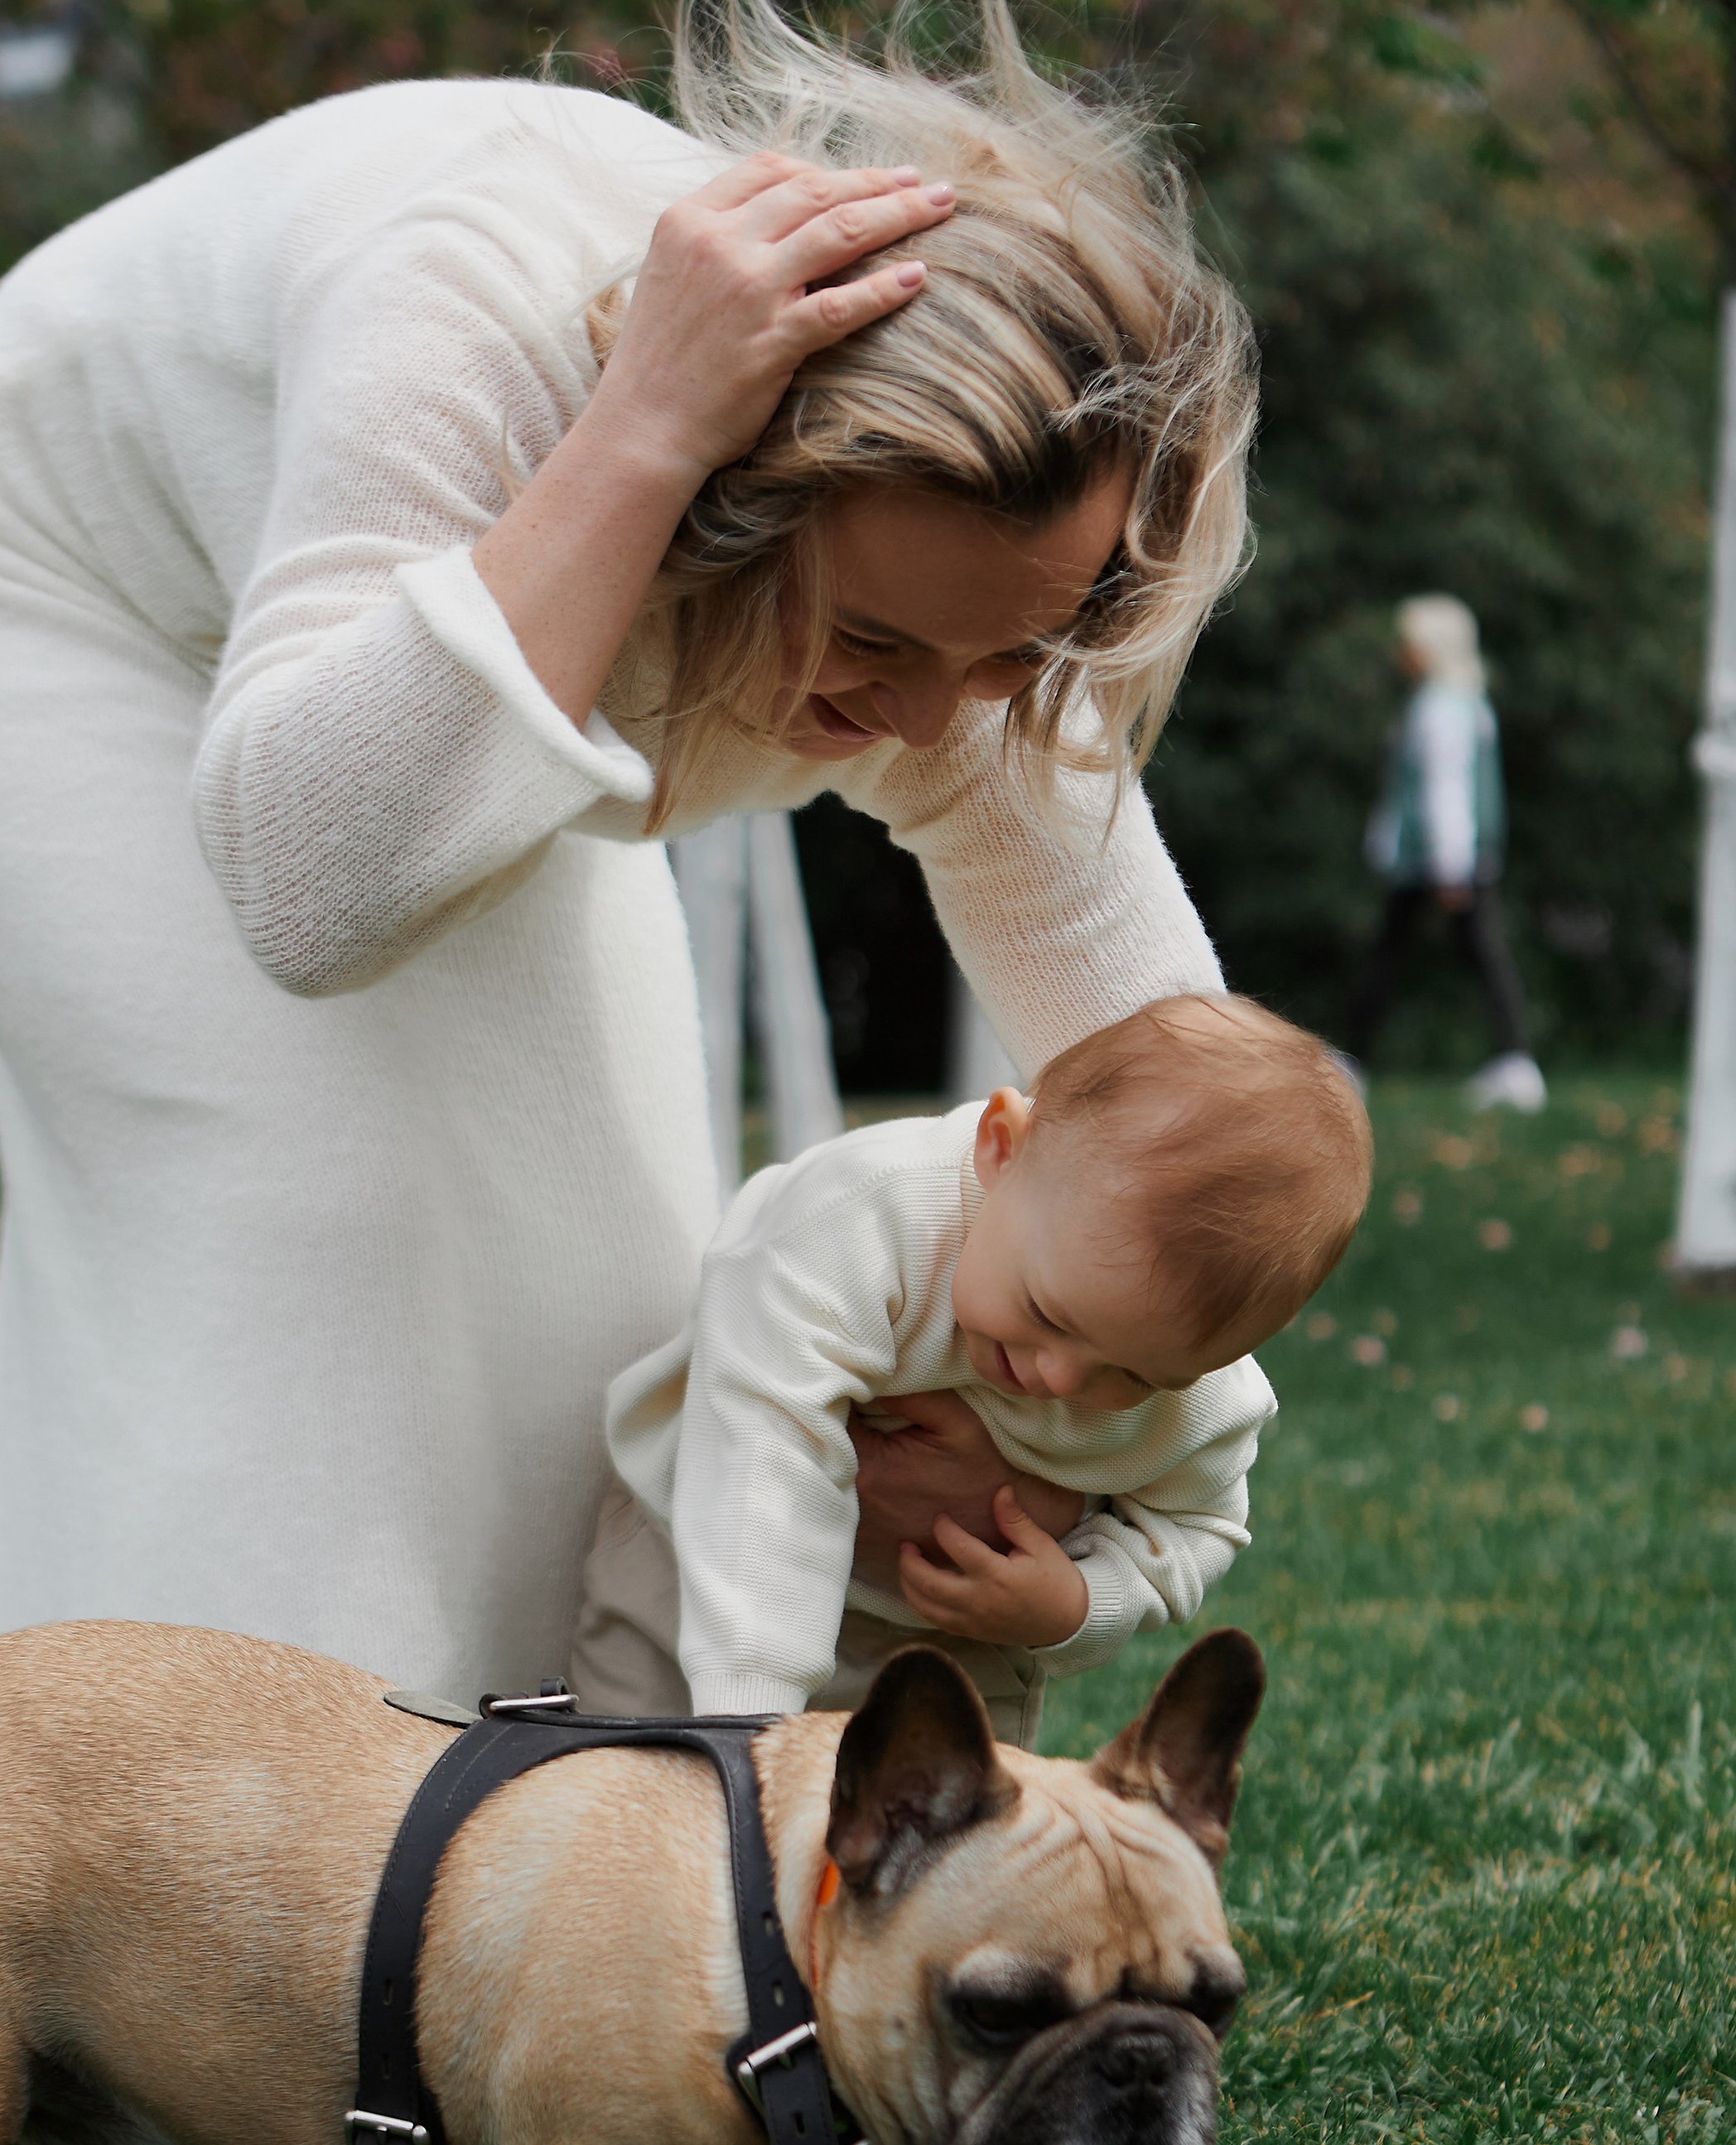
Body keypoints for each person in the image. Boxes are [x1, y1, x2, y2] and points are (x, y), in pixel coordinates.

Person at [0, 0, 1256, 2145]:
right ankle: (305, 2130)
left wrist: (1086, 1441)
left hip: (421, 660)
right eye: (868, 646)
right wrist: (649, 418)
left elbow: (1161, 1095)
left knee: (637, 1297)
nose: (918, 722)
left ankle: (747, 2029)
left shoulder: (981, 565)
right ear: (746, 484)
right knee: (316, 1220)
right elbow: (307, 882)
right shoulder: (479, 304)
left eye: (996, 654)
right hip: (67, 613)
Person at [573, 992, 1372, 1744]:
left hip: (951, 1633)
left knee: (937, 1862)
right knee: (636, 1803)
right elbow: (760, 1460)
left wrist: (1078, 1602)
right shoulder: (857, 1225)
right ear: (1000, 1148)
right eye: (1049, 1313)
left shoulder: (1201, 1393)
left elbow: (1200, 1522)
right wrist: (747, 1719)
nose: (1061, 1377)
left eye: (1133, 1378)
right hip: (694, 1560)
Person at [1348, 594, 1546, 1115]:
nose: (1399, 652)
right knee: (1473, 953)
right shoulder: (1463, 701)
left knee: (1398, 955)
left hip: (1436, 861)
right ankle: (1514, 1062)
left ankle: (1354, 1065)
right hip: (1450, 858)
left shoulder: (1439, 708)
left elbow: (1445, 790)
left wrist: (1450, 866)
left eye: (1407, 642)